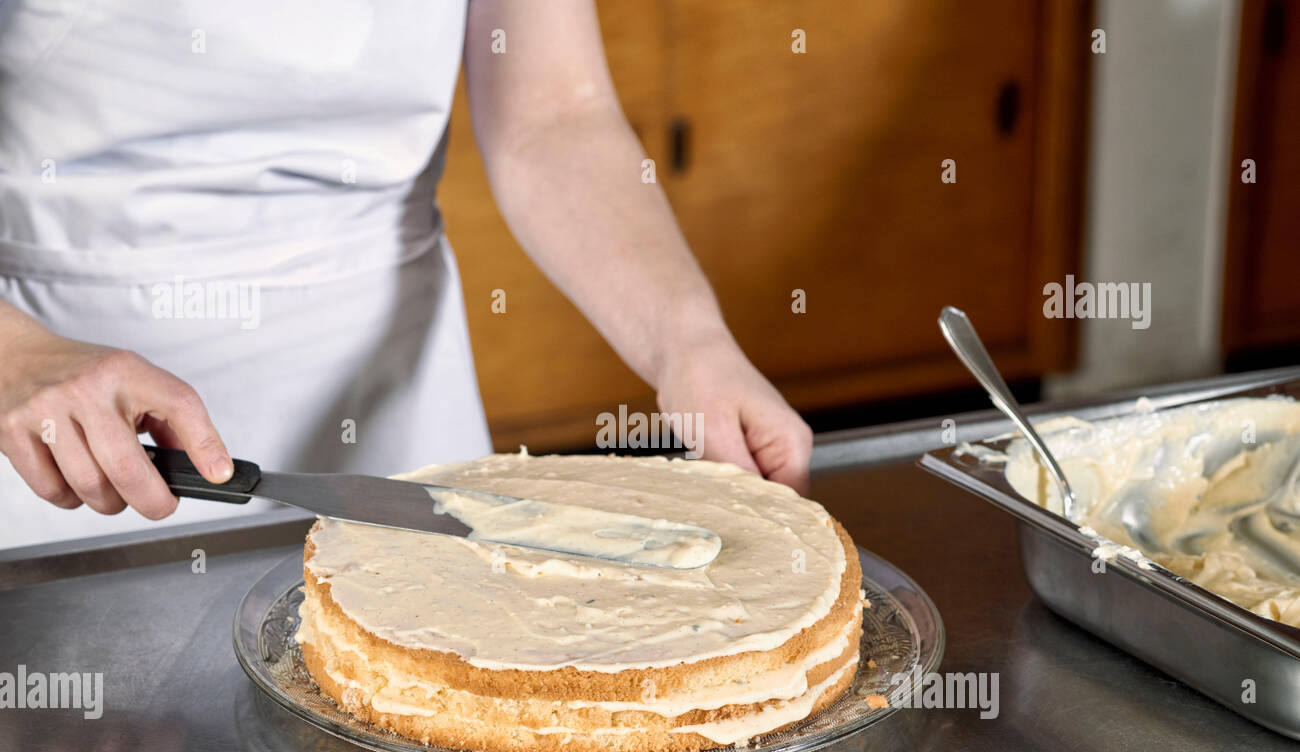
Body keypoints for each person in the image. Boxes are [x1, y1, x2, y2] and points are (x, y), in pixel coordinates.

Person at [0, 0, 812, 550]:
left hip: (398, 400)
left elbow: (555, 116)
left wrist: (688, 341)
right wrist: (21, 359)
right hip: (56, 418)